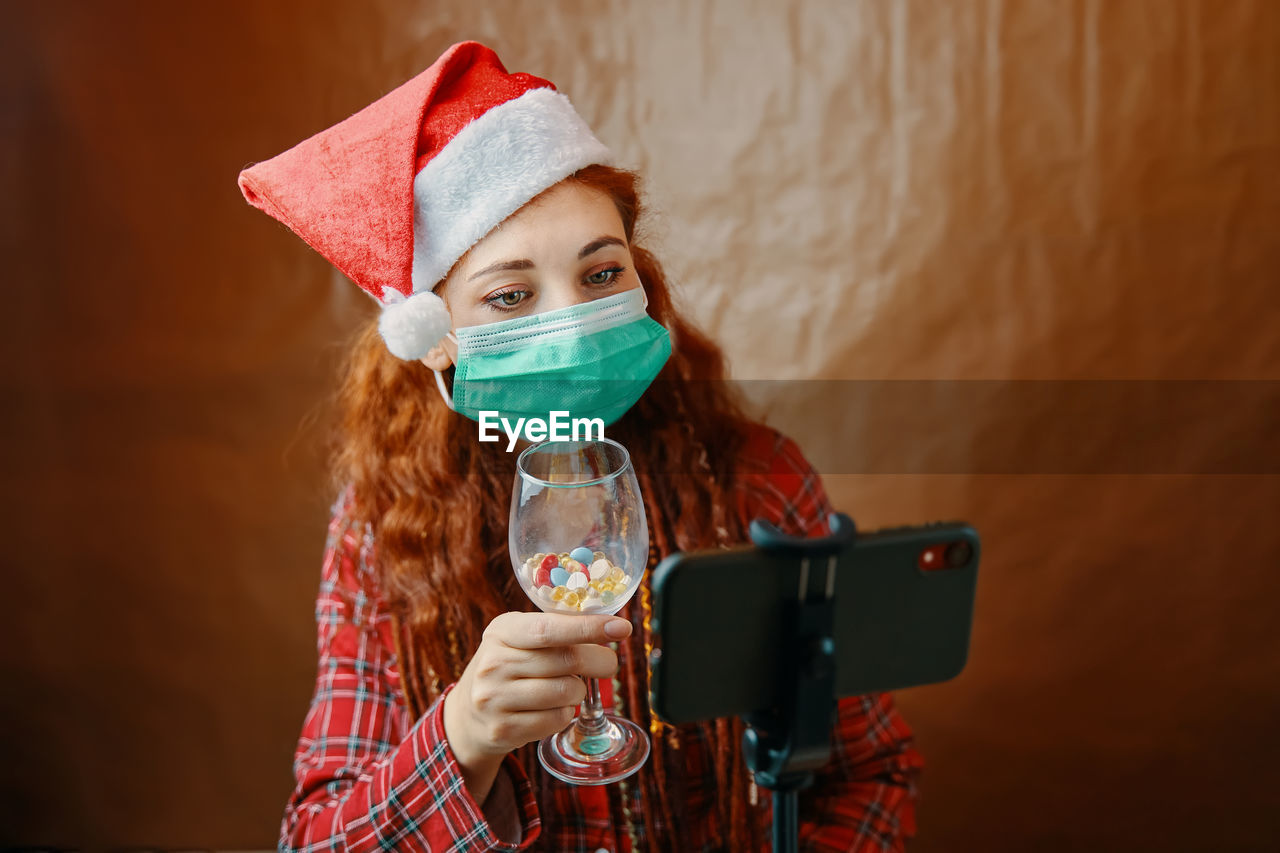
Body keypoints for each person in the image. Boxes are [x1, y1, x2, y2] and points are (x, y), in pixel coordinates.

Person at [239, 41, 924, 852]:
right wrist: (460, 740)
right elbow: (313, 842)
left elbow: (871, 770)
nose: (566, 322)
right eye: (510, 295)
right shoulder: (378, 530)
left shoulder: (754, 479)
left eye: (599, 275)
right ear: (435, 337)